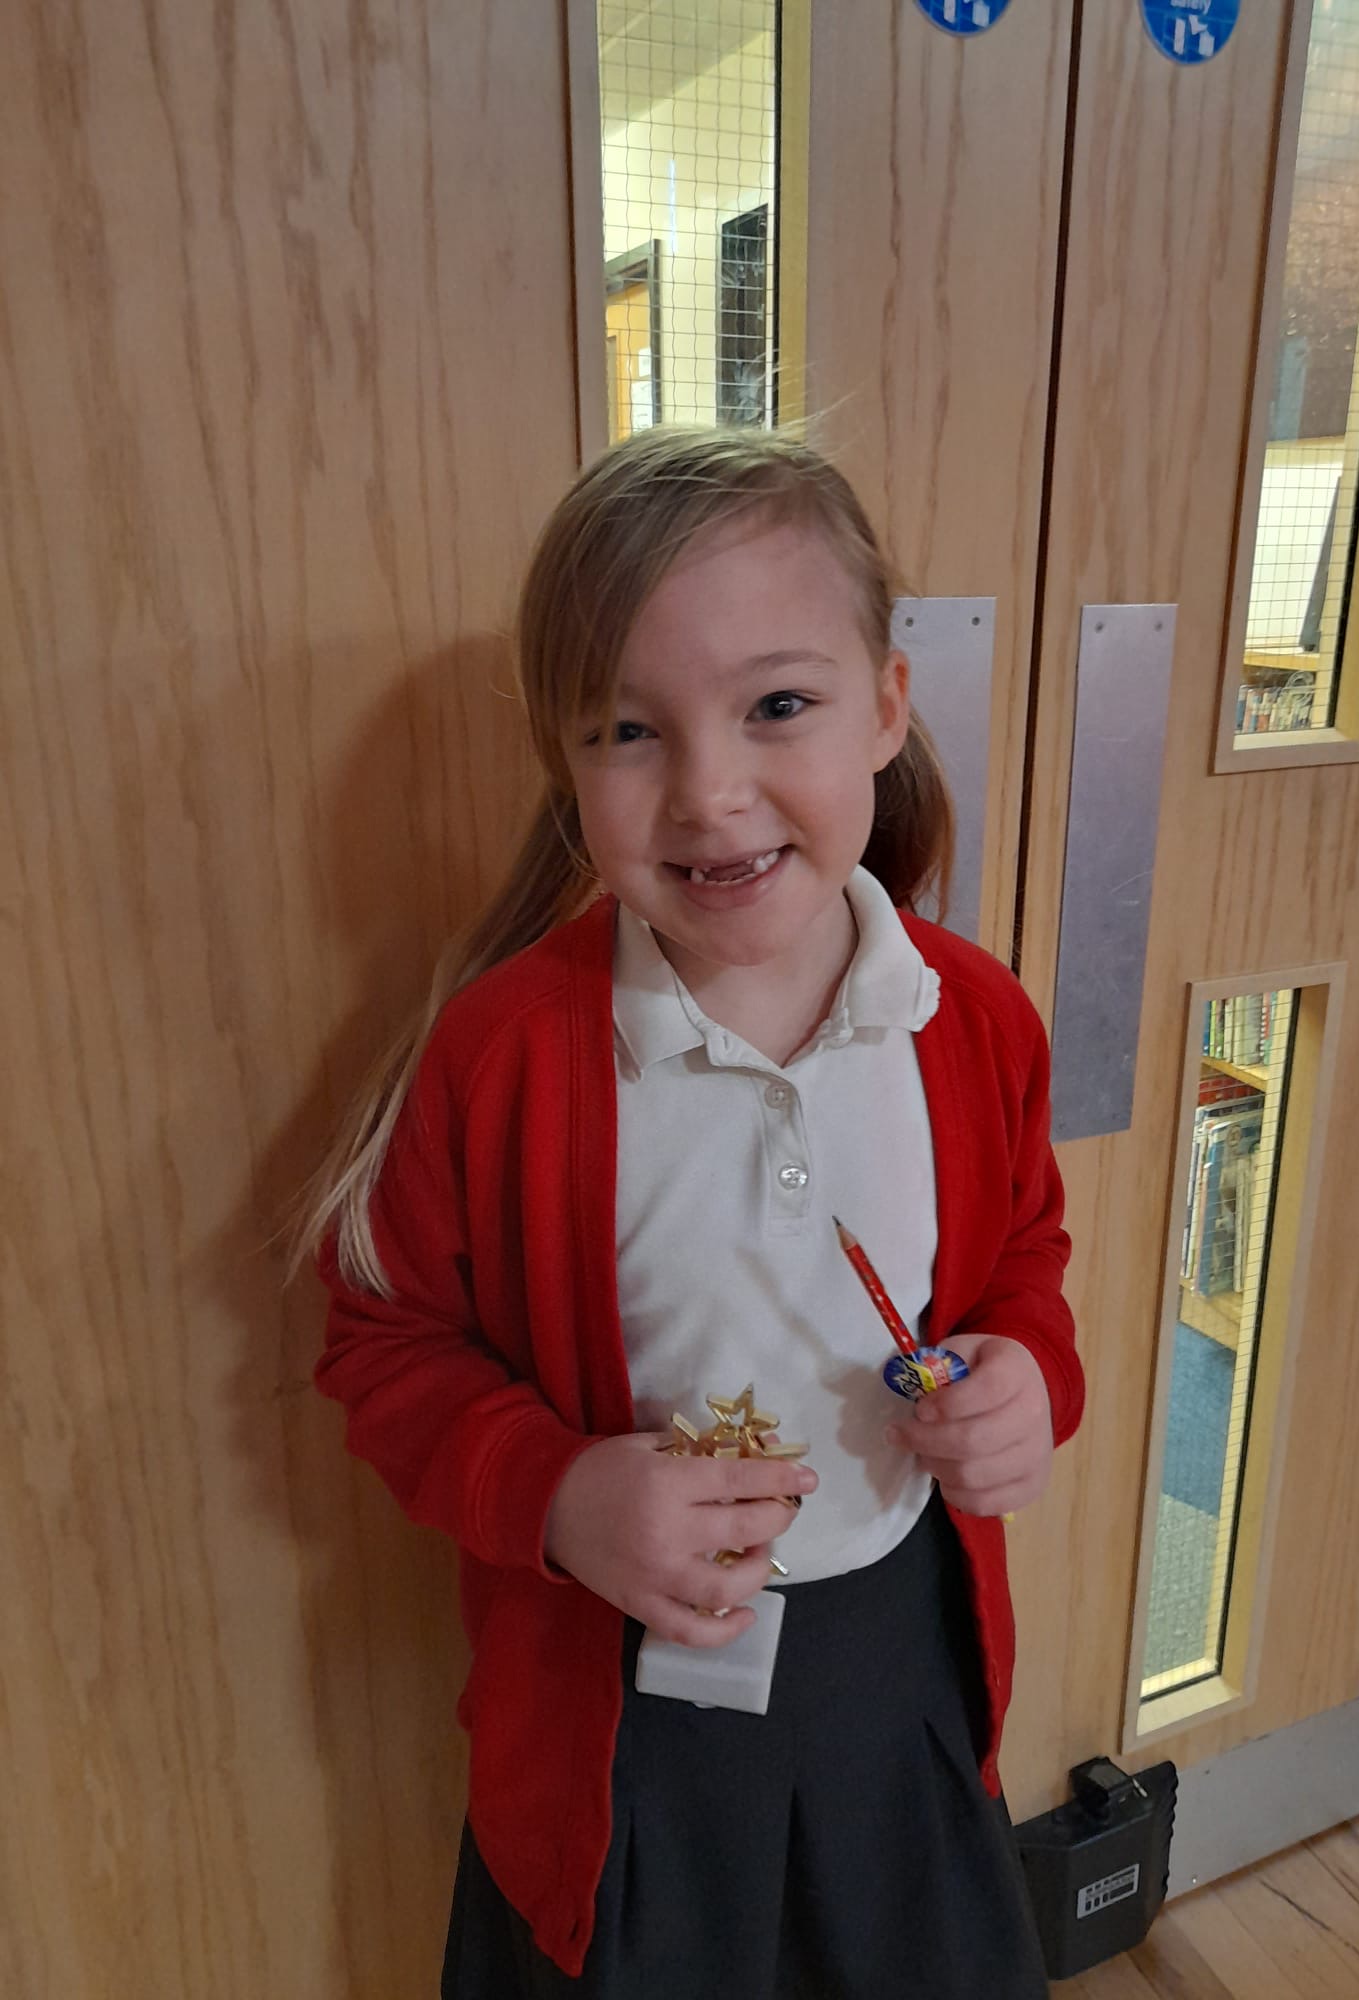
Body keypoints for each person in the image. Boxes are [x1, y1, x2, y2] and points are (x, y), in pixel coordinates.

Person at [302, 426, 1084, 1997]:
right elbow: (381, 1346)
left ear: (886, 707)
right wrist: (559, 1494)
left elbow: (1024, 1264)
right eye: (628, 731)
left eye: (777, 705)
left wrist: (1028, 1380)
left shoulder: (976, 1019)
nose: (711, 794)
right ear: (566, 765)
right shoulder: (503, 1055)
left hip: (899, 1680)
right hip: (614, 1724)